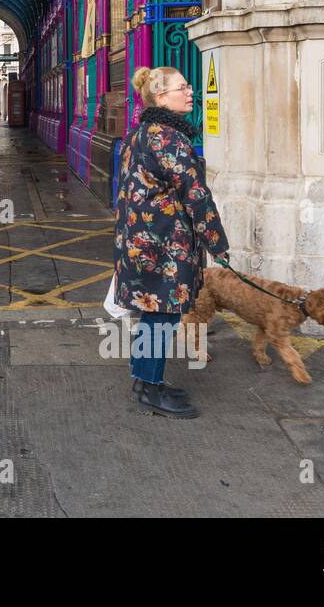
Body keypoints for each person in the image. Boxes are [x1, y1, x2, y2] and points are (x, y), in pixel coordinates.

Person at [113, 65, 229, 419]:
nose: (190, 92)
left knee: (154, 312)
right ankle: (150, 388)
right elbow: (196, 194)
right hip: (164, 244)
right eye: (183, 87)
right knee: (161, 315)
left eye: (189, 86)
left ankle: (146, 380)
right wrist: (217, 243)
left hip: (143, 240)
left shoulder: (142, 133)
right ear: (161, 97)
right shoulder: (168, 138)